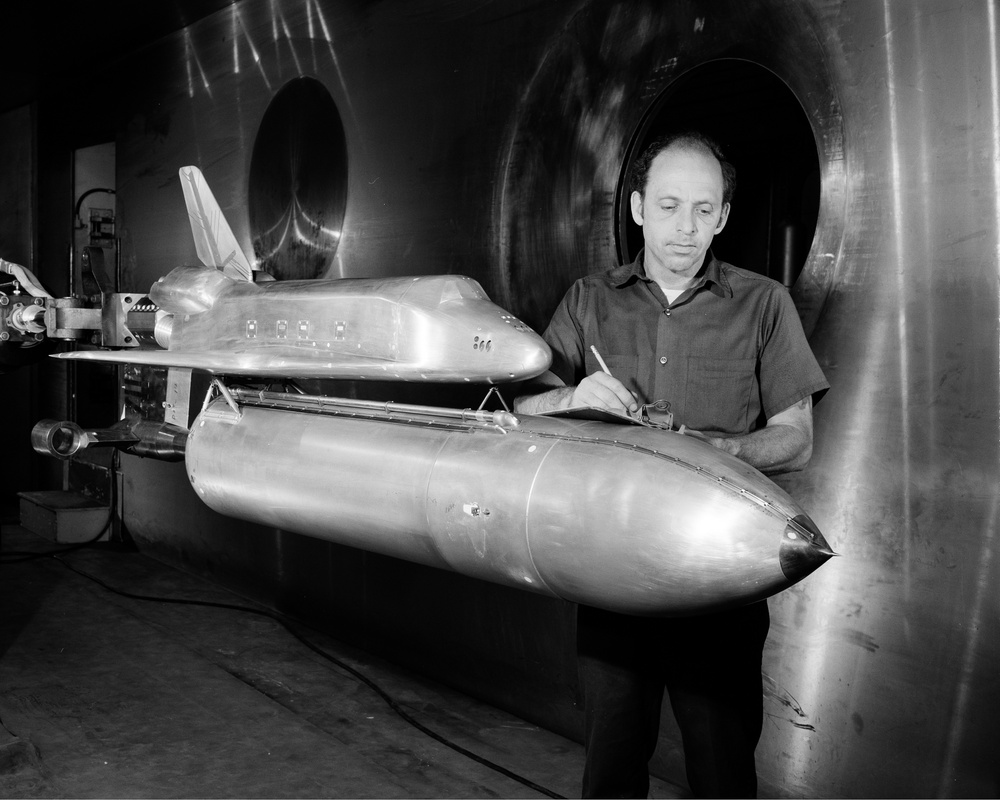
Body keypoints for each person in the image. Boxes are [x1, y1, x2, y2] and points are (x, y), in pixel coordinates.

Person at [514, 131, 829, 798]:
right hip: (610, 573)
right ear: (636, 208)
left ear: (723, 216)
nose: (685, 229)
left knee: (721, 772)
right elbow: (519, 408)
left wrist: (711, 449)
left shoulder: (764, 304)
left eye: (703, 210)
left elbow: (796, 440)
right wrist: (572, 395)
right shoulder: (587, 300)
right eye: (668, 206)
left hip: (716, 583)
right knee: (610, 769)